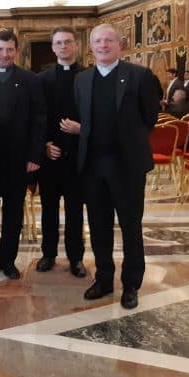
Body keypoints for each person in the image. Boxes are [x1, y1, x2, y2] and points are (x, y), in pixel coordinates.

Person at [75, 24, 159, 309]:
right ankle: (103, 279)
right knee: (98, 227)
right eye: (97, 41)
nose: (102, 45)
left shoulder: (140, 76)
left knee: (130, 226)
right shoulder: (82, 79)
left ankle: (131, 284)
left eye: (108, 40)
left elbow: (150, 118)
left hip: (127, 167)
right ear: (91, 46)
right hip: (93, 167)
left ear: (119, 45)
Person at [0, 30, 46, 279]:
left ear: (16, 51)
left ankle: (8, 260)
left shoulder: (30, 79)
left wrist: (35, 156)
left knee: (14, 213)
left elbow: (39, 120)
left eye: (9, 50)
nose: (5, 54)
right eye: (0, 49)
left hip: (18, 159)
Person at [35, 27, 86, 278]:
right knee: (49, 208)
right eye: (59, 43)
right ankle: (48, 254)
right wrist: (44, 144)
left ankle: (76, 258)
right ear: (53, 47)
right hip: (50, 155)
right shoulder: (41, 80)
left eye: (68, 42)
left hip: (78, 156)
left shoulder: (89, 77)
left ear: (76, 45)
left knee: (76, 210)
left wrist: (82, 130)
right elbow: (37, 117)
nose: (64, 46)